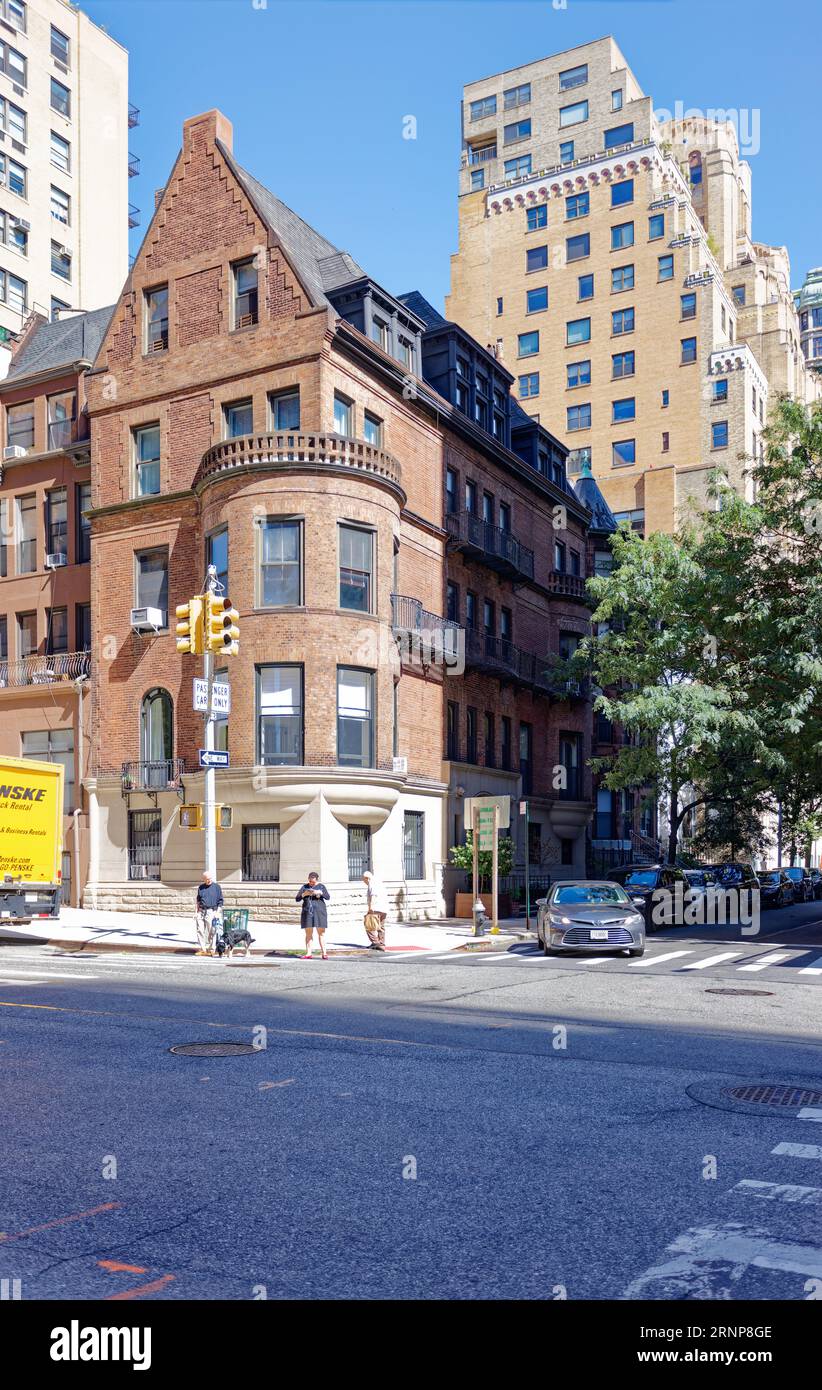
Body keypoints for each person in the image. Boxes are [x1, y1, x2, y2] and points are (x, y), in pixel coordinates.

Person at [296, 872, 330, 959]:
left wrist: (320, 892)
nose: (311, 883)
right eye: (310, 881)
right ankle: (308, 953)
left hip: (320, 912)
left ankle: (324, 953)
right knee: (308, 933)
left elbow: (328, 897)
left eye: (313, 882)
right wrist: (304, 894)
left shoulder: (321, 886)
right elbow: (297, 898)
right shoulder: (304, 887)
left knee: (321, 932)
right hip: (308, 912)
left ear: (317, 880)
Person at [195, 872, 223, 956]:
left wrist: (217, 912)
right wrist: (196, 912)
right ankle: (203, 949)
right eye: (207, 879)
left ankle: (212, 949)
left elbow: (220, 901)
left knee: (212, 931)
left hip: (211, 911)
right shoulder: (201, 887)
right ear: (203, 879)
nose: (209, 880)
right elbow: (198, 901)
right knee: (199, 930)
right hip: (201, 911)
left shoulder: (217, 887)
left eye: (210, 878)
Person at [362, 870, 389, 951]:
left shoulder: (372, 883)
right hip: (384, 908)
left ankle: (376, 942)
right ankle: (381, 943)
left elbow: (373, 896)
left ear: (367, 878)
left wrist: (370, 908)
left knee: (369, 926)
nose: (364, 882)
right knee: (381, 927)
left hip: (376, 908)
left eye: (364, 880)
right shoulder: (380, 883)